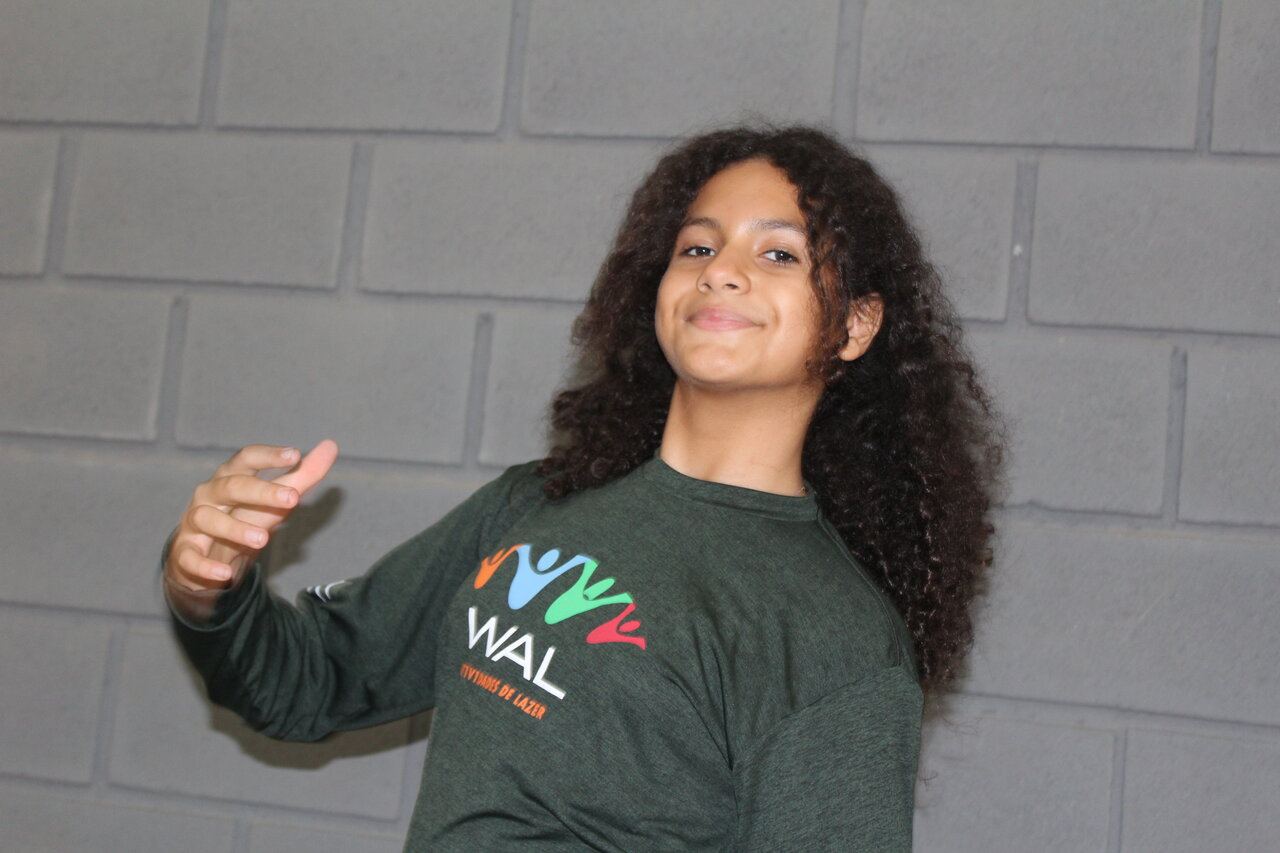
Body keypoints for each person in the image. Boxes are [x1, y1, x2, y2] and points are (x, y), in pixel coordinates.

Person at [160, 121, 1008, 851]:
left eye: (778, 252)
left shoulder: (834, 642)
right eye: (698, 246)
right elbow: (308, 679)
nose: (721, 271)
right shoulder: (538, 503)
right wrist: (210, 586)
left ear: (855, 324)